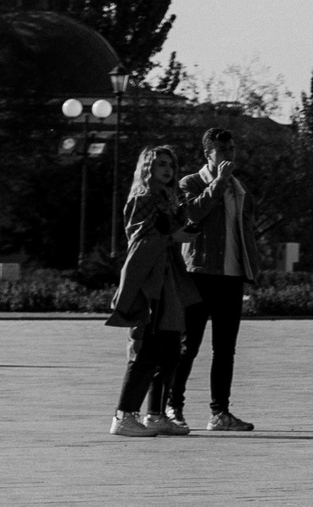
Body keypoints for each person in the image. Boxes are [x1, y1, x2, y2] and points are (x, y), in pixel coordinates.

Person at [169, 126, 265, 433]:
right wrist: (218, 182)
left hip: (231, 276)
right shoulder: (191, 182)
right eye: (222, 150)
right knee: (188, 346)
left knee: (225, 350)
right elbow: (191, 215)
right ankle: (173, 407)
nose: (229, 155)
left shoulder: (238, 188)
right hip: (199, 273)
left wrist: (252, 266)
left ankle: (220, 413)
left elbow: (245, 229)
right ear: (207, 154)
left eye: (232, 149)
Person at [106, 145, 199, 437]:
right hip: (151, 285)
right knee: (146, 350)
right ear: (147, 168)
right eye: (160, 164)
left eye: (170, 164)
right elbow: (138, 242)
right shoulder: (142, 199)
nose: (167, 169)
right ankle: (124, 416)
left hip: (169, 283)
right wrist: (173, 237)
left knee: (170, 351)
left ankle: (155, 415)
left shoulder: (168, 200)